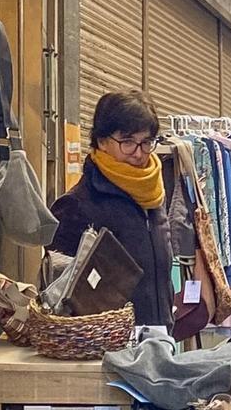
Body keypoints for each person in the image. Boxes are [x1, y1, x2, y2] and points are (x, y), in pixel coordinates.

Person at [50, 88, 174, 327]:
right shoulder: (77, 205)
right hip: (107, 347)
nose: (139, 153)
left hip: (159, 337)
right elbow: (58, 291)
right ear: (102, 141)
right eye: (127, 142)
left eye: (146, 142)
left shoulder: (153, 194)